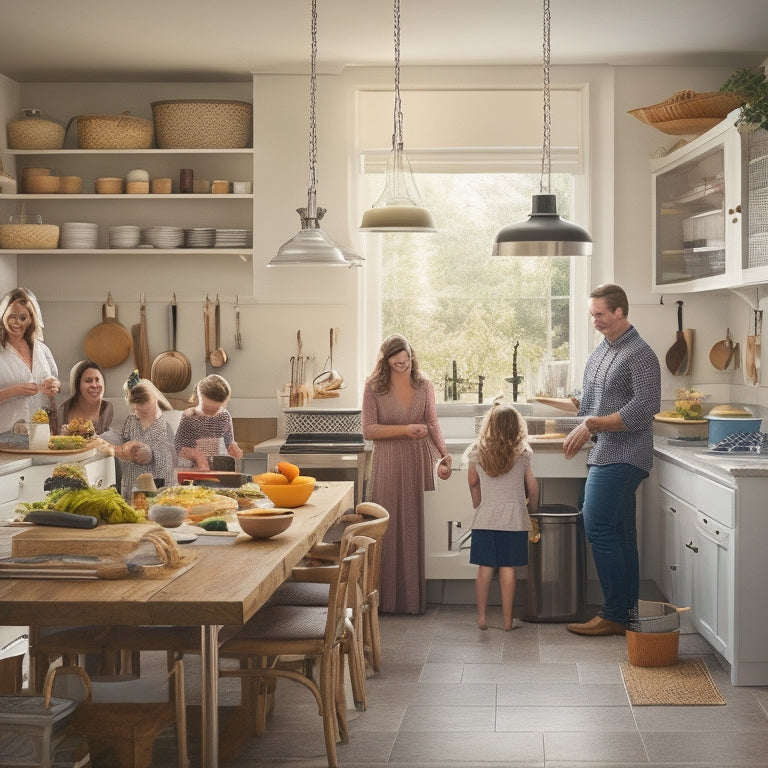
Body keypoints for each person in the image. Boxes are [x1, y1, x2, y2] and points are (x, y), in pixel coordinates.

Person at [563, 283, 661, 636]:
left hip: (625, 455)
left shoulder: (640, 353)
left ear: (620, 311)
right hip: (605, 453)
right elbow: (587, 404)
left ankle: (615, 613)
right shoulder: (603, 351)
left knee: (598, 526)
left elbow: (646, 407)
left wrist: (590, 424)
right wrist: (567, 413)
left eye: (600, 314)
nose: (596, 322)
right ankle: (626, 613)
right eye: (592, 316)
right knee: (619, 533)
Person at [361, 334, 452, 614]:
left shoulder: (424, 385)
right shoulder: (373, 387)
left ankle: (411, 601)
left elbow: (432, 422)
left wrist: (443, 455)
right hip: (387, 460)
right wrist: (405, 430)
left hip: (415, 460)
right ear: (386, 361)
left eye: (408, 361)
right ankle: (382, 601)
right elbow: (369, 430)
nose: (405, 366)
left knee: (411, 528)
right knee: (385, 528)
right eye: (398, 363)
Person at [464, 403, 540, 631]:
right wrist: (532, 508)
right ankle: (507, 622)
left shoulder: (477, 451)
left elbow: (473, 483)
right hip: (514, 520)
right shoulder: (523, 452)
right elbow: (532, 486)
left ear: (490, 425)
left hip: (486, 518)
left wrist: (477, 502)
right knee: (508, 568)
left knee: (485, 568)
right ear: (517, 427)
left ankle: (482, 618)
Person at [0, 287, 60, 432]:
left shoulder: (42, 350)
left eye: (23, 317)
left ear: (31, 319)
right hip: (4, 436)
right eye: (12, 316)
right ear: (2, 315)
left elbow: (55, 382)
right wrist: (14, 391)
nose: (17, 323)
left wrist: (53, 385)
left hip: (40, 434)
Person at [112, 377, 177, 500]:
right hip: (131, 482)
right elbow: (123, 444)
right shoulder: (130, 421)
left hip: (156, 486)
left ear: (154, 400)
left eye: (144, 412)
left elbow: (171, 459)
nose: (138, 415)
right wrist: (124, 450)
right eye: (135, 410)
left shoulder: (166, 424)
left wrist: (151, 453)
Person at [174, 374, 243, 470]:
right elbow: (177, 448)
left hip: (216, 470)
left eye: (216, 410)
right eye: (206, 409)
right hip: (192, 470)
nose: (211, 414)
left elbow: (229, 444)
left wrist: (235, 450)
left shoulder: (224, 416)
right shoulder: (190, 416)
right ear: (199, 397)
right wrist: (196, 455)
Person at [56, 360, 113, 435]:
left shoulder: (107, 408)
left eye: (98, 380)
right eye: (88, 381)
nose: (94, 385)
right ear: (77, 384)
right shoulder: (64, 410)